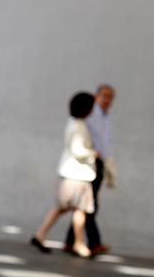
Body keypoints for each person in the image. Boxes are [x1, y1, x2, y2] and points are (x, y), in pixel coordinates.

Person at [30, 91, 99, 258]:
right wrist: (93, 154)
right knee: (79, 210)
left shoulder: (74, 123)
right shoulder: (78, 126)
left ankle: (41, 234)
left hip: (72, 173)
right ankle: (79, 243)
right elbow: (78, 150)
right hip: (78, 174)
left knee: (63, 208)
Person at [63, 84, 115, 254]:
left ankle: (72, 242)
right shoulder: (89, 117)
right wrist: (94, 154)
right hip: (88, 164)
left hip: (96, 164)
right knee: (88, 206)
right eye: (104, 96)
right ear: (96, 96)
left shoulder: (104, 117)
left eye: (110, 97)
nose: (107, 100)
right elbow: (80, 145)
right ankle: (91, 243)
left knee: (86, 206)